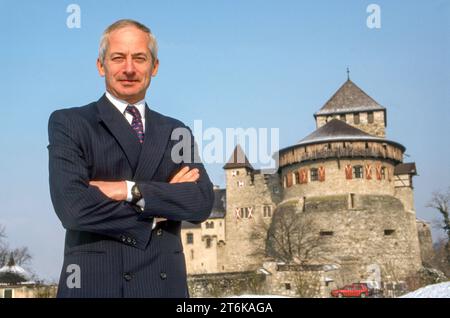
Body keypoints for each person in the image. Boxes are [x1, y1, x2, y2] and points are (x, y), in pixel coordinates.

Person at [47, 19, 214, 297]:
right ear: (101, 66)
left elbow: (201, 202)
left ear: (154, 67)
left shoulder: (176, 130)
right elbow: (73, 208)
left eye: (139, 58)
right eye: (118, 58)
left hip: (164, 287)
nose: (128, 69)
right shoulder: (70, 123)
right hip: (97, 286)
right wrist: (160, 207)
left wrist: (129, 190)